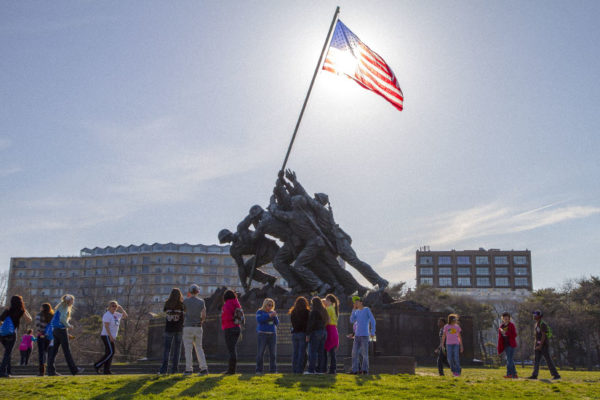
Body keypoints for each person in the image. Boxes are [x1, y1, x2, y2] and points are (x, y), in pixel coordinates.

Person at [47, 294, 84, 376]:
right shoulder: (65, 307)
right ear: (69, 301)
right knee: (67, 351)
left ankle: (51, 371)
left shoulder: (60, 306)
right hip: (61, 330)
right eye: (72, 300)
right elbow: (62, 319)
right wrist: (69, 326)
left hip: (55, 330)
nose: (73, 302)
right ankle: (74, 370)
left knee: (54, 351)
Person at [0, 295, 32, 378]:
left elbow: (0, 319)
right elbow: (29, 320)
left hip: (2, 334)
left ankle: (8, 371)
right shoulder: (21, 310)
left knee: (8, 352)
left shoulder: (8, 310)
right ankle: (2, 371)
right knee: (8, 352)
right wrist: (25, 310)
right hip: (12, 334)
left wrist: (4, 326)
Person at [94, 300, 128, 375]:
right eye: (112, 306)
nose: (114, 307)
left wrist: (121, 308)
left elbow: (125, 316)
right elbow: (106, 326)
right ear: (109, 307)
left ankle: (106, 370)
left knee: (110, 353)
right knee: (110, 352)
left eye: (115, 306)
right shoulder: (107, 315)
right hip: (106, 335)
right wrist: (110, 336)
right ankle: (97, 365)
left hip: (112, 337)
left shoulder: (116, 314)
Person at [182, 284, 208, 376]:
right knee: (199, 348)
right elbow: (204, 315)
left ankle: (188, 370)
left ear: (189, 292)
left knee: (188, 349)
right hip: (197, 327)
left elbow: (184, 312)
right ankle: (203, 368)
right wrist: (201, 321)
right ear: (198, 292)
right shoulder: (201, 302)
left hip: (187, 327)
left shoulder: (185, 301)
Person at [527, 310, 560, 380]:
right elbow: (537, 336)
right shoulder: (537, 324)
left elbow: (543, 336)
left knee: (548, 360)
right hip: (538, 345)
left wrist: (540, 346)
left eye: (535, 314)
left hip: (543, 345)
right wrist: (536, 345)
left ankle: (556, 375)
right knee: (536, 360)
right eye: (534, 314)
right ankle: (534, 375)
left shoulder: (542, 324)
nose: (534, 316)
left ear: (539, 316)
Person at [158, 288, 185, 375]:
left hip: (169, 328)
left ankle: (163, 369)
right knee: (177, 350)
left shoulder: (167, 303)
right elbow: (185, 313)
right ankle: (174, 370)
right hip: (179, 329)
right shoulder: (181, 304)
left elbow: (164, 311)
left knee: (167, 349)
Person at [349, 295, 376, 375]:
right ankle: (355, 370)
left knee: (365, 354)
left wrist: (372, 332)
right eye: (354, 303)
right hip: (357, 336)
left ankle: (365, 370)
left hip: (365, 335)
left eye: (357, 302)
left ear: (361, 302)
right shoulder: (356, 311)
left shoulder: (366, 309)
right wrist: (353, 309)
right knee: (354, 353)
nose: (356, 304)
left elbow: (373, 320)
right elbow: (351, 320)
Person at [221, 289, 242, 374]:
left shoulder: (227, 305)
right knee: (233, 349)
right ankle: (232, 369)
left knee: (231, 350)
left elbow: (226, 317)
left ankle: (231, 370)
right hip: (237, 328)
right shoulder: (237, 303)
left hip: (229, 328)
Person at [305, 296, 329, 374]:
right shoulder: (324, 310)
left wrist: (308, 334)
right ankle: (320, 370)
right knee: (321, 352)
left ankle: (311, 370)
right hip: (324, 332)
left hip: (316, 332)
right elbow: (327, 320)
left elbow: (311, 324)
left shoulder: (314, 312)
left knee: (313, 352)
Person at [255, 298, 278, 373]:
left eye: (272, 305)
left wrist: (274, 316)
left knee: (273, 354)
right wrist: (269, 316)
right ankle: (259, 370)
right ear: (265, 305)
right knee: (260, 353)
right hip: (262, 334)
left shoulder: (272, 312)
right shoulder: (260, 312)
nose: (270, 307)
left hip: (272, 335)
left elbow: (277, 323)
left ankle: (273, 370)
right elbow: (259, 320)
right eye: (269, 305)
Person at [289, 296, 310, 374]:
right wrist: (308, 334)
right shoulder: (307, 312)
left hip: (295, 334)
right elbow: (307, 325)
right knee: (302, 352)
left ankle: (294, 369)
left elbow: (293, 323)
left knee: (295, 352)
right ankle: (299, 370)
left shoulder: (293, 311)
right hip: (303, 334)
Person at [497, 312, 518, 378]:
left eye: (507, 318)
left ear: (509, 318)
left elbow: (514, 335)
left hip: (511, 345)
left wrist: (506, 333)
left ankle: (509, 374)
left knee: (509, 360)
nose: (506, 319)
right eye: (504, 318)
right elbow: (500, 337)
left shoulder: (511, 325)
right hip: (505, 345)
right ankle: (514, 374)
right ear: (502, 318)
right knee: (510, 359)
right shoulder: (502, 326)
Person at [35, 303, 54, 376]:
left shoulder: (39, 315)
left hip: (41, 335)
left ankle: (41, 371)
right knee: (46, 352)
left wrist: (40, 333)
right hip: (48, 336)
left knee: (41, 353)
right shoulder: (51, 315)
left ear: (43, 308)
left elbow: (37, 325)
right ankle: (48, 369)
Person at [324, 294, 340, 374]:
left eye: (326, 300)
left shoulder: (328, 309)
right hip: (333, 330)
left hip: (329, 330)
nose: (325, 302)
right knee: (332, 352)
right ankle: (333, 369)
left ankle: (330, 369)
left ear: (329, 301)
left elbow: (328, 320)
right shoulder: (333, 309)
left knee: (329, 351)